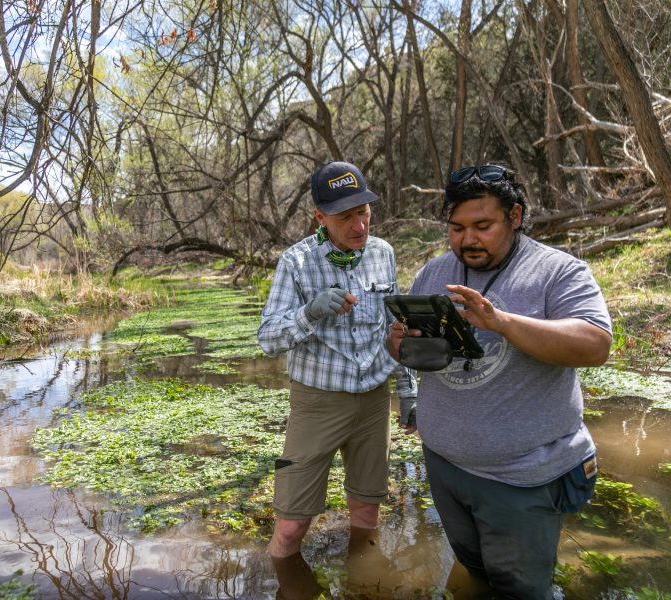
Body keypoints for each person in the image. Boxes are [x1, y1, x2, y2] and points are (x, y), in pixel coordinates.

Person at [386, 164, 612, 600]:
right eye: (456, 227)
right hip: (445, 466)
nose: (467, 239)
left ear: (515, 216)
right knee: (475, 573)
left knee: (522, 589)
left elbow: (595, 345)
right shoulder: (434, 272)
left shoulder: (557, 271)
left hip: (521, 478)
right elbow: (417, 358)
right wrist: (399, 343)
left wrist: (501, 322)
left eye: (482, 226)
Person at [257, 160, 416, 598]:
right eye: (345, 216)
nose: (359, 224)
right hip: (316, 404)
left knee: (367, 512)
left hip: (372, 403)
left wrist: (407, 392)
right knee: (291, 526)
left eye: (363, 211)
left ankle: (365, 587)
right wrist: (309, 312)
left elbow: (395, 327)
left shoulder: (382, 253)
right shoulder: (297, 263)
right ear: (319, 217)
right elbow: (268, 339)